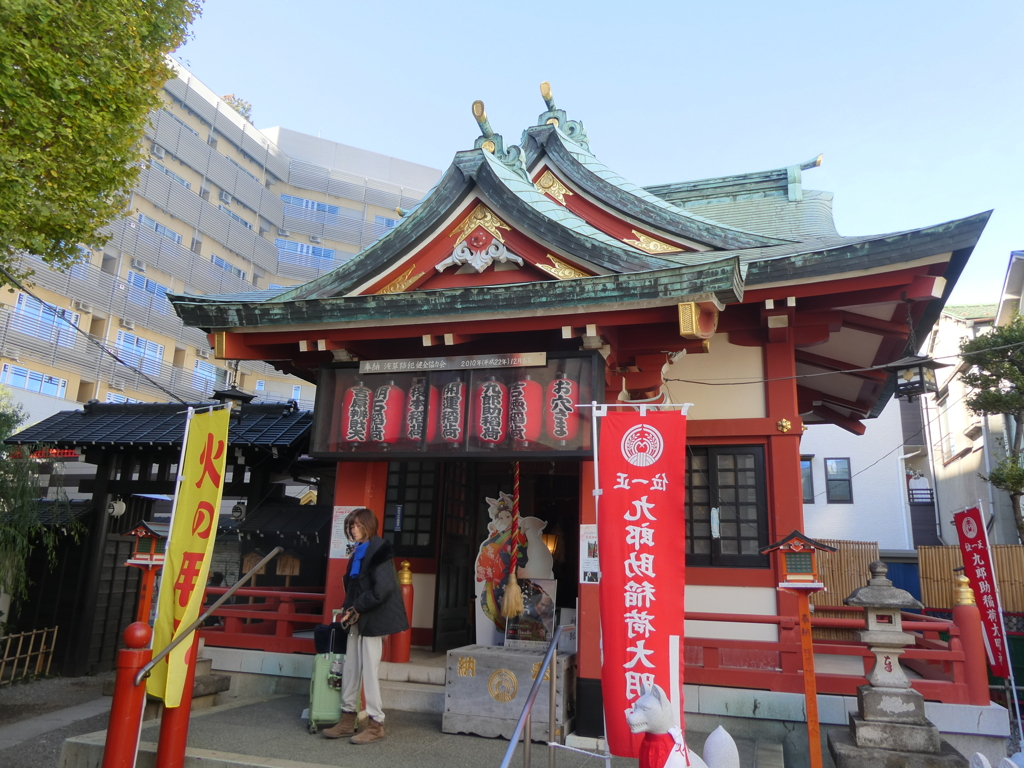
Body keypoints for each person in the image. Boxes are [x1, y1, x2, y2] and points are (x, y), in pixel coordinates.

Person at [322, 507, 409, 744]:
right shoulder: (359, 552)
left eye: (358, 525)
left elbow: (383, 590)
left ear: (369, 526)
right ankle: (347, 719)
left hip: (373, 619)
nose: (353, 529)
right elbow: (354, 587)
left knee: (369, 671)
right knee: (351, 669)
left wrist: (356, 607)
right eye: (351, 525)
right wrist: (347, 608)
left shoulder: (379, 551)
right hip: (357, 619)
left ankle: (376, 723)